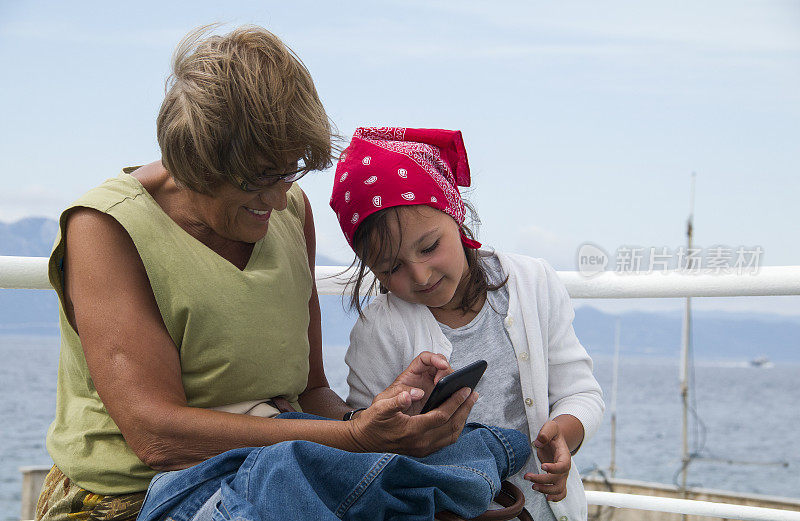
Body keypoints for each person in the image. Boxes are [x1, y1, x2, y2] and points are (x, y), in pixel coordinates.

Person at [35, 28, 483, 521]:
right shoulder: (106, 228)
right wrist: (353, 439)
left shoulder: (290, 208)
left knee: (482, 450)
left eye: (288, 172)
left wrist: (380, 422)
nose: (276, 199)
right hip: (145, 493)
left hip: (273, 469)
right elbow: (156, 437)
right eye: (256, 181)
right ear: (194, 162)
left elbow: (312, 391)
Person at [330, 127, 606, 521]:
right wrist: (397, 420)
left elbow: (581, 392)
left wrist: (563, 433)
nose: (421, 275)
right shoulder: (380, 327)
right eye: (392, 268)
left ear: (455, 213)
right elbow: (365, 440)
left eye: (429, 247)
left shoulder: (533, 283)